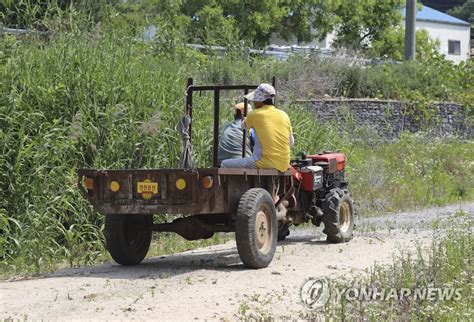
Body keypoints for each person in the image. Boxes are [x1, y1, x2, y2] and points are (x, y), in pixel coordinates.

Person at [221, 83, 294, 172]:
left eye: (255, 100)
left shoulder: (255, 114)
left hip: (261, 163)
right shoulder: (284, 115)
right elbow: (291, 142)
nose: (254, 102)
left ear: (260, 100)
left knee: (224, 164)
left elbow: (243, 126)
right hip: (283, 165)